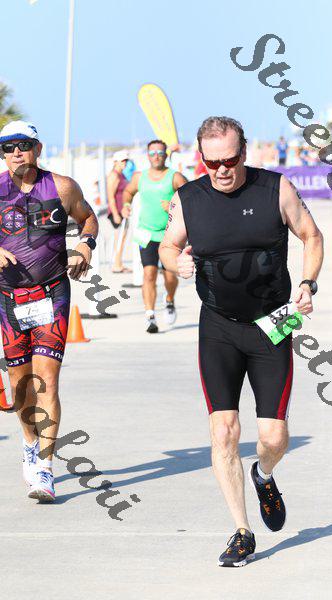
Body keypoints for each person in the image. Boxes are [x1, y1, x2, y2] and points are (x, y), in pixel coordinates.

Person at [159, 116, 324, 567]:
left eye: (229, 161)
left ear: (244, 152)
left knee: (274, 436)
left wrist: (307, 283)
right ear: (201, 159)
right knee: (223, 431)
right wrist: (176, 263)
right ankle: (242, 530)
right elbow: (167, 246)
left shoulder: (276, 189)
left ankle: (264, 474)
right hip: (218, 326)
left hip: (273, 323)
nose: (221, 170)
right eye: (211, 163)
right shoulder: (189, 199)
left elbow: (311, 235)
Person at [0, 120, 98, 502]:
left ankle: (45, 466)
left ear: (37, 149)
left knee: (48, 381)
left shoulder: (61, 187)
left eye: (23, 145)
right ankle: (29, 442)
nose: (15, 152)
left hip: (52, 294)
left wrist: (86, 244)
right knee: (21, 385)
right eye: (7, 147)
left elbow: (88, 218)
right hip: (9, 298)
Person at [122, 140, 187, 333]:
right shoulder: (139, 177)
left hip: (170, 235)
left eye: (160, 152)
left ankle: (169, 300)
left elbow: (192, 198)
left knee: (170, 276)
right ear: (147, 156)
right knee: (149, 274)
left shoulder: (175, 177)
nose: (156, 155)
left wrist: (173, 205)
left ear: (166, 154)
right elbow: (128, 192)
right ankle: (150, 316)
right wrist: (126, 205)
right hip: (147, 234)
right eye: (152, 153)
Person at [107, 150, 131, 273]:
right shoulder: (114, 176)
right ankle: (116, 265)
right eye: (122, 161)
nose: (124, 163)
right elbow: (111, 197)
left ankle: (118, 263)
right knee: (119, 238)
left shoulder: (121, 174)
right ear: (115, 162)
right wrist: (115, 214)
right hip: (117, 211)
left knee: (122, 238)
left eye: (126, 160)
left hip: (123, 211)